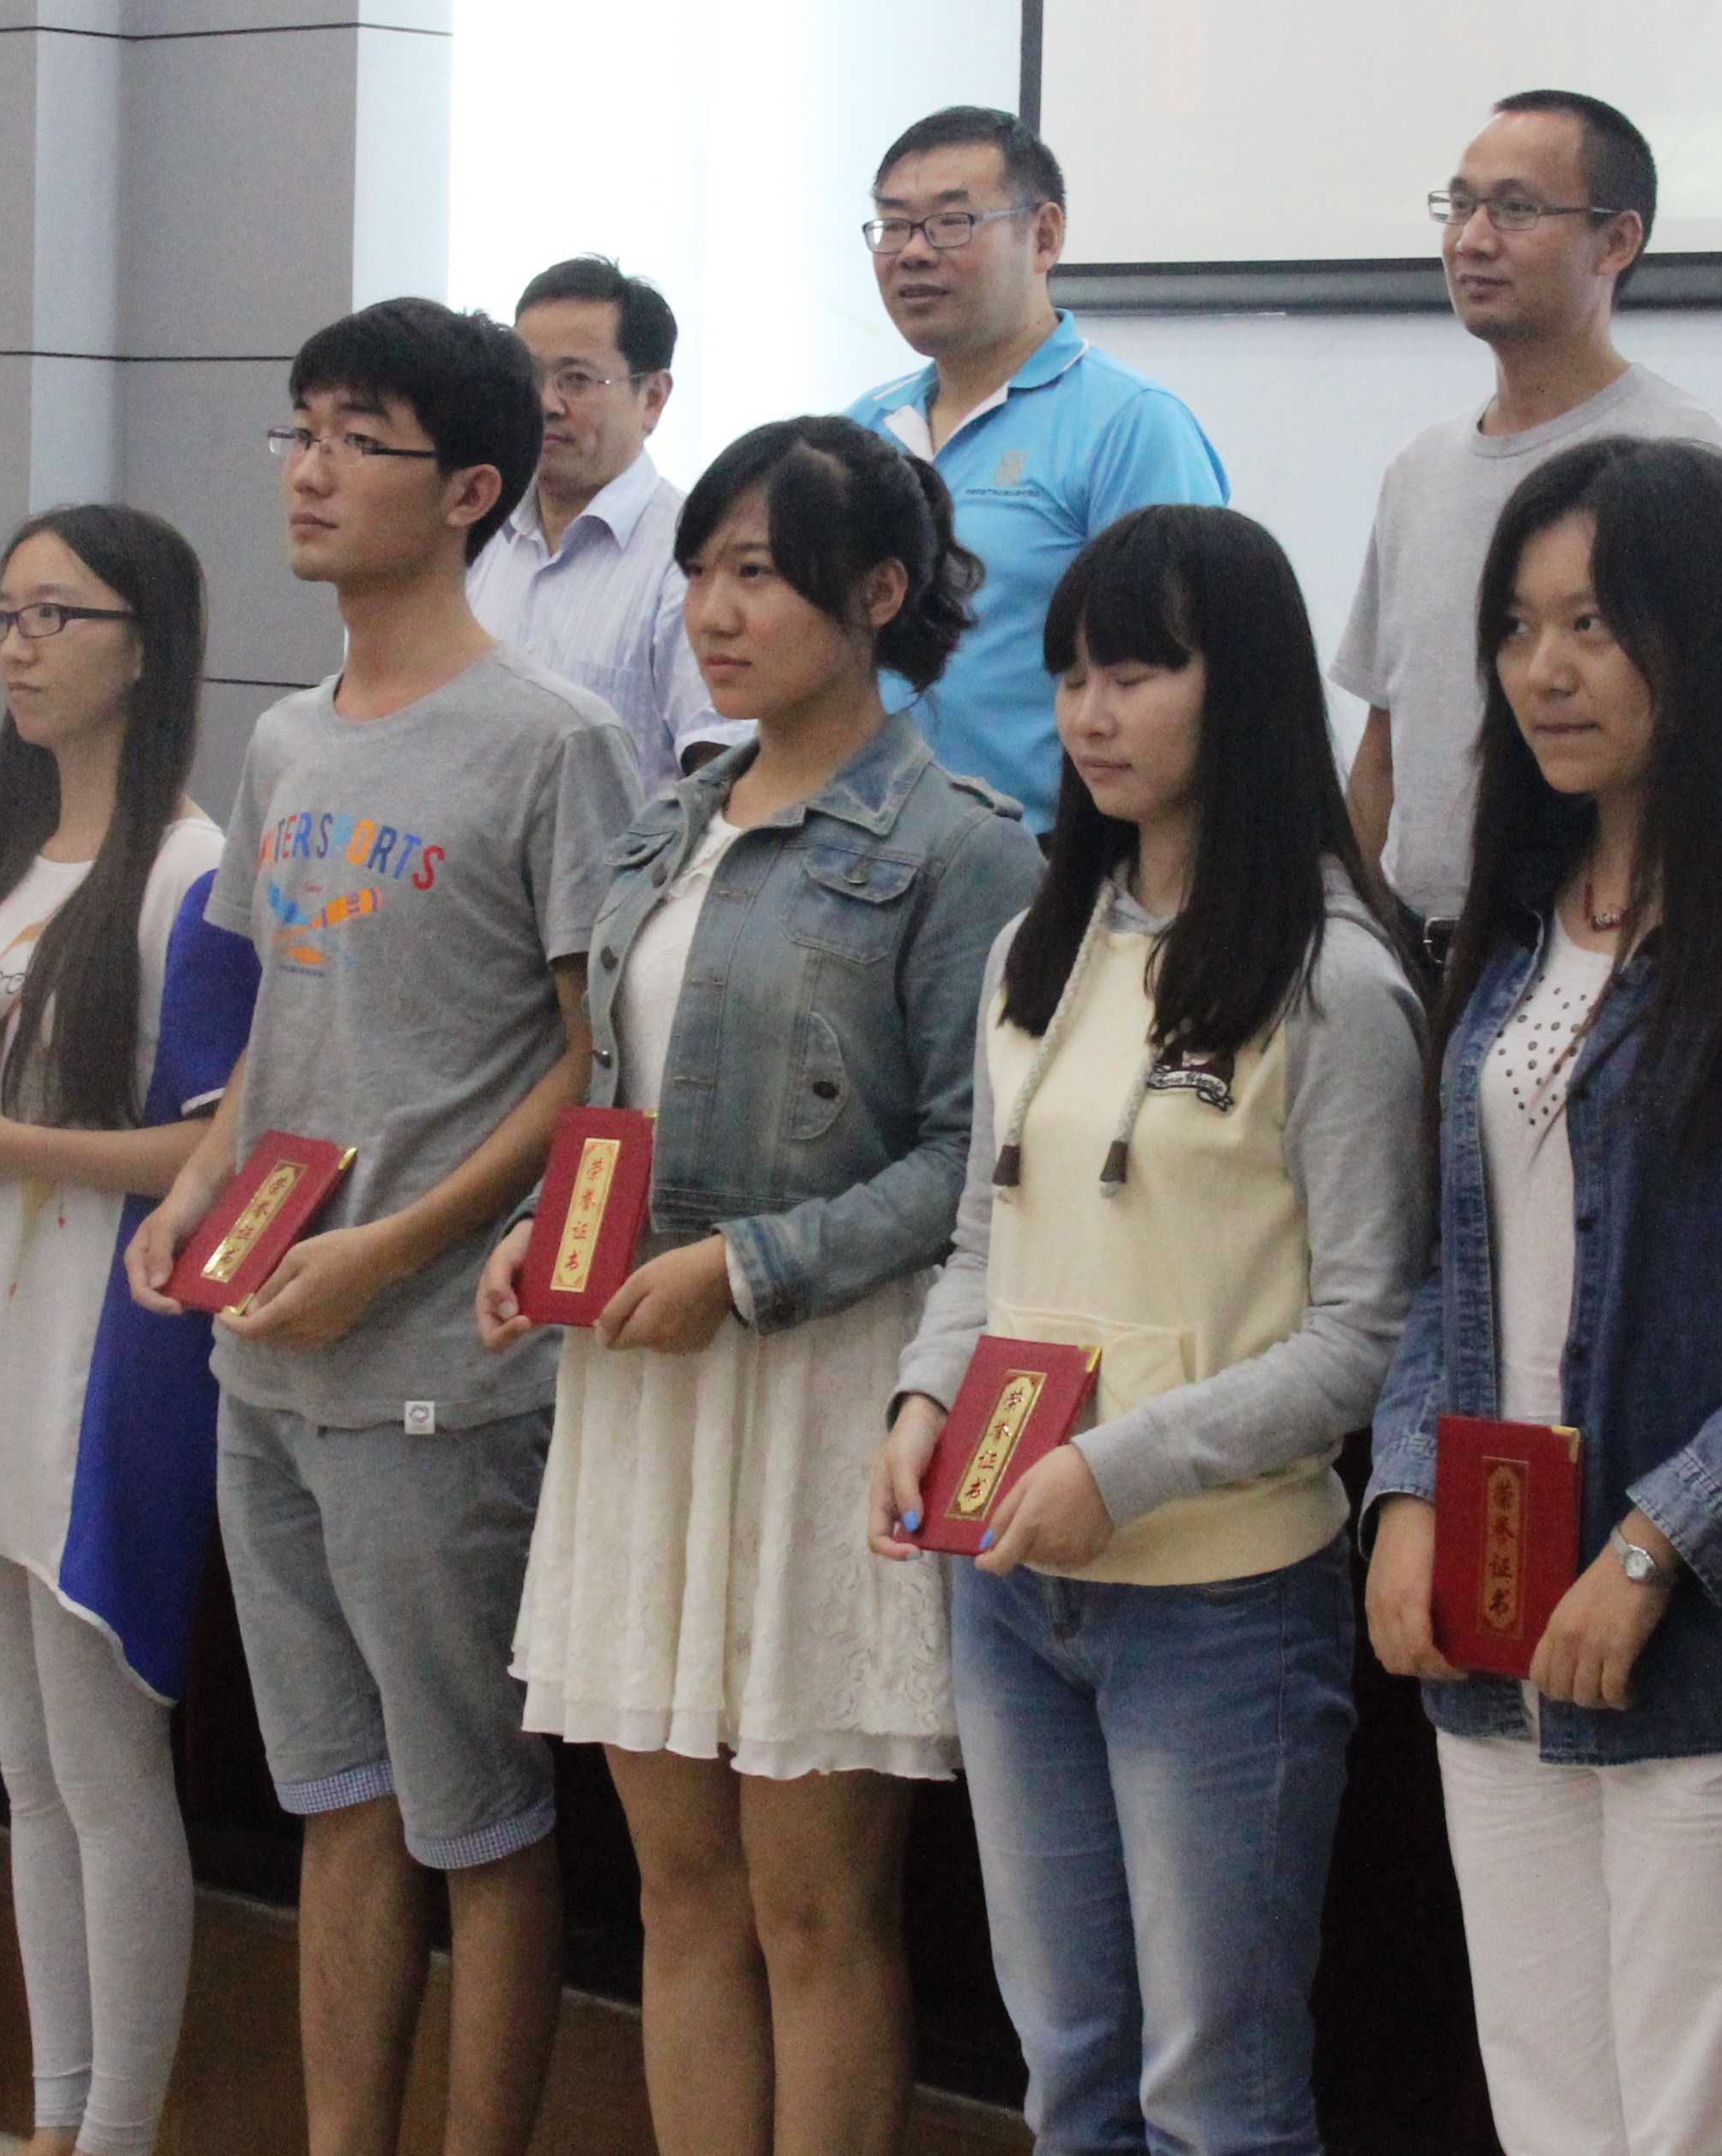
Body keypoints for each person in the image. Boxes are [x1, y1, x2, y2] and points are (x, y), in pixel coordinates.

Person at [1364, 440, 1722, 2156]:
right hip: (1494, 1613)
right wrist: (1405, 1482)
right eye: (1518, 625)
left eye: (1596, 625)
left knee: (1703, 2121)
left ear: (1709, 635)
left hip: (1704, 1644)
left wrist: (1656, 1541)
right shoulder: (1513, 917)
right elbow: (1450, 1259)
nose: (1544, 668)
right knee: (1550, 2108)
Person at [488, 416, 1042, 2156]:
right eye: (701, 570)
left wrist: (746, 1266)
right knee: (679, 1890)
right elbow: (617, 1093)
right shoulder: (666, 825)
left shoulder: (964, 845)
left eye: (759, 573)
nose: (714, 611)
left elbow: (971, 1160)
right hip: (642, 1383)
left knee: (816, 1906)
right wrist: (546, 1233)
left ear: (875, 593)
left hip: (823, 1384)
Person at [120, 298, 635, 2156]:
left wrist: (390, 1247)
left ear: (472, 486)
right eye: (302, 428)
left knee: (477, 1819)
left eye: (360, 437)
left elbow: (595, 1064)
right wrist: (198, 1189)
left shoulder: (554, 741)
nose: (311, 469)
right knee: (335, 1798)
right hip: (268, 1347)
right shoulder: (284, 741)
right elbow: (283, 1020)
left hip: (439, 1368)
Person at [867, 504, 1430, 2156]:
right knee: (1070, 2069)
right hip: (1008, 1580)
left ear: (1239, 684)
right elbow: (986, 1231)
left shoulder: (1335, 979)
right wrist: (923, 1396)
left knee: (1214, 2094)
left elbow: (1366, 1332)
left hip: (1222, 1603)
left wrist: (1122, 1466)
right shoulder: (1036, 944)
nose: (1092, 714)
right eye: (1071, 676)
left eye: (1137, 672)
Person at [0, 505, 256, 2156]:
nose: (18, 647)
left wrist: (5, 1145)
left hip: (107, 1346)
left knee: (106, 1765)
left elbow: (218, 1149)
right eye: (5, 614)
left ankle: (121, 2128)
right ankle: (54, 2112)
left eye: (56, 615)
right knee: (26, 1766)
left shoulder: (194, 872)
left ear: (145, 647)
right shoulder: (9, 865)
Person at [1336, 94, 1722, 955]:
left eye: (1515, 209)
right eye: (1460, 205)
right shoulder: (1419, 470)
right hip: (1415, 953)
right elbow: (1385, 743)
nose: (1471, 240)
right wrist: (1341, 931)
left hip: (1604, 955)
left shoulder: (1694, 465)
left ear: (1616, 241)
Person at [843, 105, 1228, 826]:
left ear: (1044, 236)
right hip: (859, 852)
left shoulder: (1129, 425)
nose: (913, 252)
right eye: (892, 225)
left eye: (950, 222)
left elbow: (1187, 679)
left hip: (1047, 856)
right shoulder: (857, 433)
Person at [469, 255, 729, 795]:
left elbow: (721, 776)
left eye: (576, 380)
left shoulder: (694, 557)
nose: (545, 404)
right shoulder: (474, 531)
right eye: (530, 377)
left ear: (652, 398)